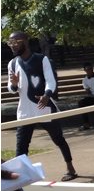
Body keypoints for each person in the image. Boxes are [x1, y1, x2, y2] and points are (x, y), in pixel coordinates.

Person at [6, 31, 78, 181]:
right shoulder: (12, 63)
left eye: (16, 42)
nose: (13, 45)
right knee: (21, 146)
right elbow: (11, 89)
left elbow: (50, 81)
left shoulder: (41, 59)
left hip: (43, 108)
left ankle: (70, 168)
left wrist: (47, 95)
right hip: (25, 111)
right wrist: (13, 84)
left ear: (25, 41)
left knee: (58, 138)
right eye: (10, 43)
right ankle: (22, 177)